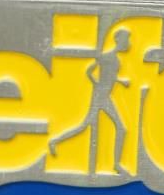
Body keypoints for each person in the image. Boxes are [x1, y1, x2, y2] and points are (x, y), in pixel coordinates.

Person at [49, 27, 133, 174]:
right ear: (118, 40)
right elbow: (89, 71)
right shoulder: (106, 57)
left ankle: (55, 141)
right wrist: (97, 85)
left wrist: (120, 81)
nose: (128, 43)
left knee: (99, 126)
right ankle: (116, 165)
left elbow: (108, 77)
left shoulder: (115, 59)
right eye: (126, 39)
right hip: (101, 96)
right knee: (113, 127)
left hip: (104, 96)